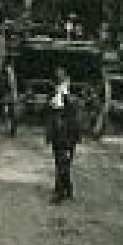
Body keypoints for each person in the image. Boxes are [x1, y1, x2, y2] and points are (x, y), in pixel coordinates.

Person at [46, 68, 83, 203]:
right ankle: (67, 188)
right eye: (58, 82)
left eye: (62, 81)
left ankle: (59, 192)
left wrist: (65, 96)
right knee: (59, 161)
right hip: (57, 132)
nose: (60, 84)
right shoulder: (53, 94)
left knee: (63, 161)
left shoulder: (73, 95)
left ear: (68, 81)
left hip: (68, 134)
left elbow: (75, 111)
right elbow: (49, 111)